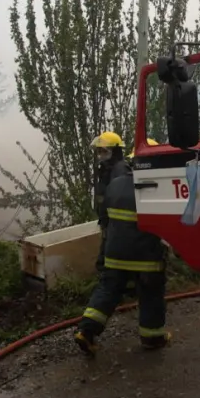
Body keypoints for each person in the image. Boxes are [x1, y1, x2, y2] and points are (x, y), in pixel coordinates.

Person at [75, 143, 169, 355]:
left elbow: (104, 221)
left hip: (114, 254)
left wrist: (103, 253)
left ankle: (86, 331)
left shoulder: (115, 184)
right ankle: (152, 339)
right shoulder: (156, 187)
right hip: (146, 256)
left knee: (108, 291)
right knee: (151, 294)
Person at [90, 132, 129, 274]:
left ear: (115, 151)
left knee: (107, 264)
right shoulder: (106, 169)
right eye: (99, 151)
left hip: (117, 226)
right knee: (105, 262)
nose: (100, 155)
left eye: (104, 151)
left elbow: (121, 201)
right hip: (108, 224)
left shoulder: (121, 170)